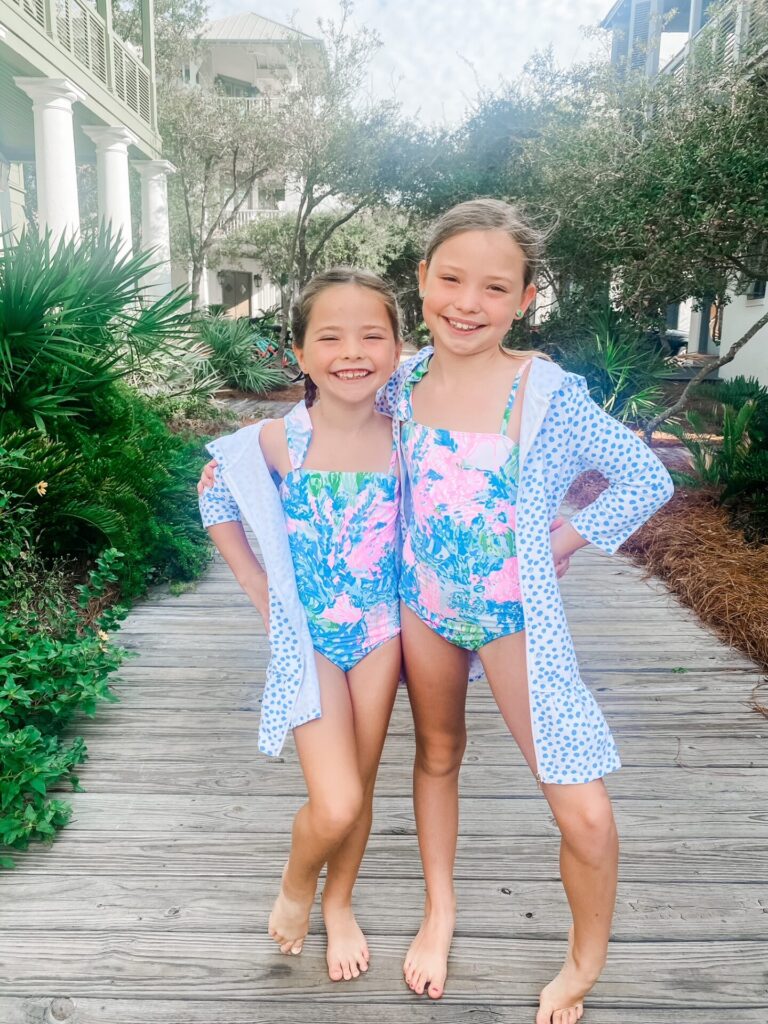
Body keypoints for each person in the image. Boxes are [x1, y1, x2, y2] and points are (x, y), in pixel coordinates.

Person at [373, 198, 674, 1021]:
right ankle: (439, 910)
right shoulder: (399, 382)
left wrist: (561, 540)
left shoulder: (546, 392)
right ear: (422, 278)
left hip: (515, 617)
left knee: (586, 812)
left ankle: (583, 962)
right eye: (451, 279)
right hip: (424, 603)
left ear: (525, 299)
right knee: (437, 753)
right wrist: (241, 467)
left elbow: (647, 478)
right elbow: (329, 431)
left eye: (495, 287)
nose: (467, 303)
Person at [198, 268, 403, 984]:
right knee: (335, 799)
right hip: (309, 638)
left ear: (398, 348)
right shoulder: (277, 441)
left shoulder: (408, 439)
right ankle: (297, 884)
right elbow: (215, 495)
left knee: (360, 789)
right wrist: (257, 586)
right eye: (331, 337)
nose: (353, 352)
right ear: (300, 353)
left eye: (372, 336)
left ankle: (338, 903)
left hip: (381, 635)